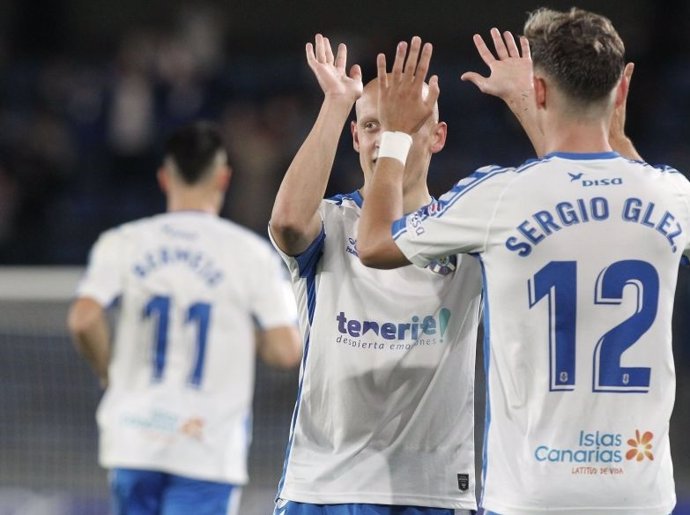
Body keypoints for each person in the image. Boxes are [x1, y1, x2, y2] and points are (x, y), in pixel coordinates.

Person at [357, 9, 688, 515]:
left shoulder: (498, 197)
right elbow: (609, 179)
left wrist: (397, 137)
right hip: (639, 495)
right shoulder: (673, 195)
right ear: (622, 89)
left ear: (538, 90)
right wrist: (618, 141)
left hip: (531, 495)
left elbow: (375, 244)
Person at [268, 34, 483, 514]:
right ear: (355, 137)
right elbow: (285, 223)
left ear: (438, 136)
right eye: (371, 126)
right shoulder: (331, 220)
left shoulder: (467, 231)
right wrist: (336, 102)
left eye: (407, 126)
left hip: (434, 490)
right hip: (325, 487)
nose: (388, 141)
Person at [67, 121, 302, 515]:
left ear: (164, 177)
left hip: (133, 437)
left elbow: (83, 319)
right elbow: (285, 350)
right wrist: (243, 334)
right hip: (207, 443)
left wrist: (109, 371)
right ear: (223, 178)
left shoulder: (122, 241)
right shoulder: (250, 254)